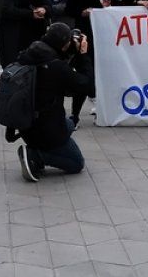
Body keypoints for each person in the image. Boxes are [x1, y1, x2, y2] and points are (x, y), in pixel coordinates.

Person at [14, 22, 95, 182]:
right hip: (47, 128)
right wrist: (83, 54)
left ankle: (36, 148)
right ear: (64, 45)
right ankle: (35, 155)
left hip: (25, 124)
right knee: (76, 163)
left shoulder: (29, 54)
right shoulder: (56, 67)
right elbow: (85, 84)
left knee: (70, 124)